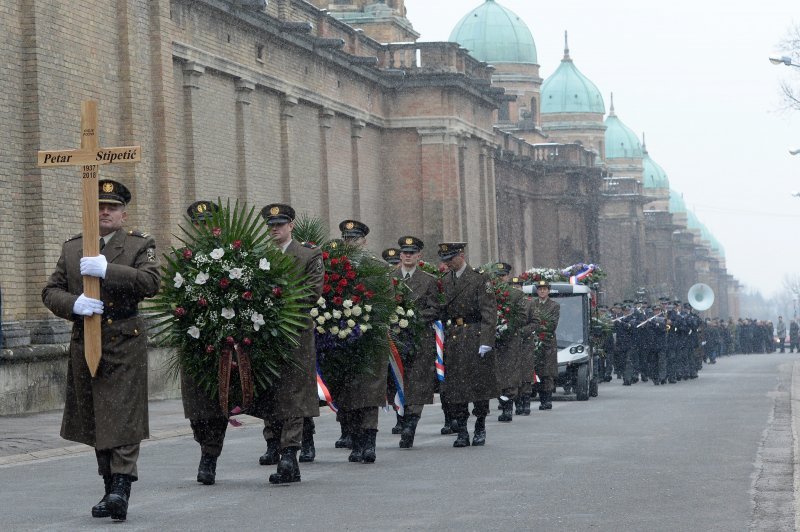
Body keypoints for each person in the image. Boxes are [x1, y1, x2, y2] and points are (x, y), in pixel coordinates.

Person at [42, 180, 160, 521]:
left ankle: (121, 486)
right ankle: (109, 483)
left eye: (111, 207)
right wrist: (73, 304)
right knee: (96, 416)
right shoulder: (72, 247)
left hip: (123, 338)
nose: (105, 212)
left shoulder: (139, 244)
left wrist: (109, 270)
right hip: (86, 340)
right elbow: (50, 291)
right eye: (99, 207)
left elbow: (151, 282)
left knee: (122, 414)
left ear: (123, 213)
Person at [255, 203, 324, 483]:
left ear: (291, 225)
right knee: (271, 392)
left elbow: (312, 292)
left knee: (294, 393)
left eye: (280, 224)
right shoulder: (257, 256)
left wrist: (276, 305)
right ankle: (278, 447)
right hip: (266, 335)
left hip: (296, 333)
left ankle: (289, 455)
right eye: (271, 225)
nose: (275, 229)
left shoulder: (309, 254)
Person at [178, 201, 230, 486]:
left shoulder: (230, 256)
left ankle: (209, 457)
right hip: (192, 343)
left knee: (216, 402)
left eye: (207, 223)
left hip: (222, 342)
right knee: (196, 407)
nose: (202, 229)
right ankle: (203, 443)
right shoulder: (182, 258)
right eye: (198, 224)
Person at [438, 242, 497, 447]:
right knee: (456, 387)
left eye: (451, 259)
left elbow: (489, 312)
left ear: (461, 255)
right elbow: (440, 309)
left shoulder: (479, 279)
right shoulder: (445, 281)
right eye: (445, 260)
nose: (448, 264)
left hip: (475, 335)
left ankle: (480, 425)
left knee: (479, 385)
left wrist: (487, 341)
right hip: (454, 337)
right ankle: (462, 430)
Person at [391, 236, 442, 448]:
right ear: (400, 255)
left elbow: (435, 308)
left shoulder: (428, 280)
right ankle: (401, 418)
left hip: (419, 338)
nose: (408, 255)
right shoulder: (389, 277)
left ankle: (411, 423)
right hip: (394, 338)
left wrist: (412, 318)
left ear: (419, 255)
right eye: (405, 252)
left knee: (417, 382)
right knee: (396, 380)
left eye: (412, 252)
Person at [529, 280, 560, 408]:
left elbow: (552, 324)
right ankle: (540, 397)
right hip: (533, 341)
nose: (542, 291)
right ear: (537, 291)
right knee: (536, 371)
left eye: (545, 289)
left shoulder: (554, 305)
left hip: (547, 342)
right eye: (540, 289)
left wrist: (537, 327)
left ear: (548, 291)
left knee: (547, 372)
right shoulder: (532, 304)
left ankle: (547, 400)